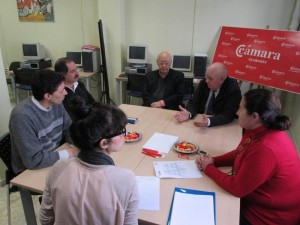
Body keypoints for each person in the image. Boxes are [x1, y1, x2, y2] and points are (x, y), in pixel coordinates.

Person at [195, 89, 300, 225]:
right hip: (255, 200)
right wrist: (214, 161)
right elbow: (240, 152)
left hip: (266, 216)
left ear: (255, 116)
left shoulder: (265, 148)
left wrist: (208, 168)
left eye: (240, 109)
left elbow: (237, 188)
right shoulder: (258, 129)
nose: (237, 113)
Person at [40, 98, 139, 225]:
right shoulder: (126, 179)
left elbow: (45, 220)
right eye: (121, 132)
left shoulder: (59, 167)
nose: (123, 135)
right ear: (103, 143)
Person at [9, 70, 78, 174]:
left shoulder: (56, 103)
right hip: (30, 171)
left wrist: (81, 143)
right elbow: (33, 160)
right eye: (62, 90)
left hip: (54, 157)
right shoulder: (22, 117)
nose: (66, 92)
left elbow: (69, 130)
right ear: (48, 96)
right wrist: (70, 153)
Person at [175, 62, 241, 127]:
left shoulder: (233, 89)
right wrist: (189, 113)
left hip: (219, 126)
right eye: (206, 77)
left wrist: (210, 121)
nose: (206, 81)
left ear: (221, 79)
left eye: (210, 78)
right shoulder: (203, 83)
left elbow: (228, 114)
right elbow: (194, 103)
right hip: (199, 121)